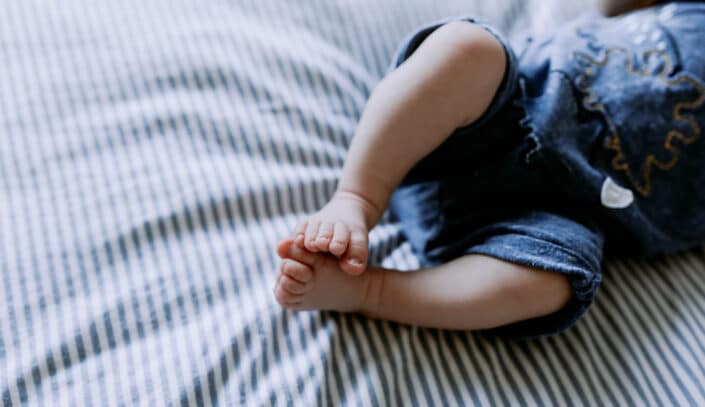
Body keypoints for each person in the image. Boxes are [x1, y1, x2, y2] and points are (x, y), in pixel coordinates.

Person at [272, 0, 705, 339]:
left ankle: (370, 291)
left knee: (557, 285)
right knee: (468, 48)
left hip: (544, 220)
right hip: (486, 115)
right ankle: (356, 198)